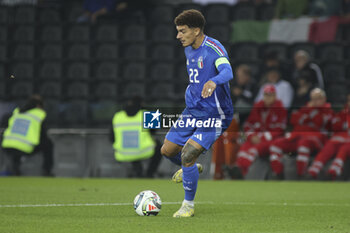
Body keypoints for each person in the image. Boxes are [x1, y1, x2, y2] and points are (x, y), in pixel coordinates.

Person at [160, 9, 233, 217]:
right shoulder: (189, 47)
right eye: (178, 31)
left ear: (197, 30)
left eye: (182, 31)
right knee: (167, 150)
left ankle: (188, 206)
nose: (178, 36)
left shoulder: (213, 48)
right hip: (192, 110)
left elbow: (227, 71)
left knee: (188, 153)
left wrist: (214, 81)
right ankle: (189, 169)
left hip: (215, 115)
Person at [269, 88, 333, 178]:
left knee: (304, 145)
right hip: (297, 136)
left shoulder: (328, 110)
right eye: (313, 99)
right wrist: (308, 117)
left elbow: (320, 122)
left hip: (316, 139)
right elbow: (293, 119)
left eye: (318, 98)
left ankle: (301, 175)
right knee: (276, 144)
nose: (315, 101)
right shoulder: (306, 108)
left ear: (324, 99)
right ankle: (278, 173)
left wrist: (310, 113)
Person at [229, 85, 287, 178]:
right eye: (266, 95)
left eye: (270, 95)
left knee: (253, 150)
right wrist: (252, 136)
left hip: (272, 141)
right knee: (244, 147)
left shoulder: (280, 108)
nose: (267, 97)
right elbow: (248, 125)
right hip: (256, 138)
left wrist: (261, 137)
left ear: (275, 96)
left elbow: (280, 130)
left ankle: (241, 171)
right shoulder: (258, 107)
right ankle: (237, 169)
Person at [1, 95, 54, 176]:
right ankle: (47, 171)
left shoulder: (17, 112)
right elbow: (43, 135)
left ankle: (15, 169)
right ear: (39, 106)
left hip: (7, 145)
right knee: (48, 144)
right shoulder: (39, 114)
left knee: (15, 150)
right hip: (24, 146)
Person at [110, 96, 162, 178]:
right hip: (144, 150)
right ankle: (149, 174)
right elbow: (154, 132)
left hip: (122, 152)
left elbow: (111, 138)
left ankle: (138, 172)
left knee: (133, 148)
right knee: (160, 146)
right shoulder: (149, 114)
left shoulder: (117, 116)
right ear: (142, 103)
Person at [308, 93, 350, 179]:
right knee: (329, 147)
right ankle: (315, 168)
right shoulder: (343, 113)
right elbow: (335, 125)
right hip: (340, 138)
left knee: (344, 149)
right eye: (349, 100)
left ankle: (336, 168)